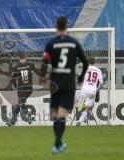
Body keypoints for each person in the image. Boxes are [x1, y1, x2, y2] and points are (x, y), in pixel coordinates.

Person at [41, 16, 88, 154]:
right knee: (61, 114)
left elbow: (45, 62)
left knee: (56, 113)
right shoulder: (74, 43)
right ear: (67, 26)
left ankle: (58, 143)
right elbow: (85, 63)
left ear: (56, 26)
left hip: (55, 80)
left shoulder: (51, 44)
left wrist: (43, 76)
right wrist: (80, 77)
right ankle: (57, 144)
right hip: (68, 80)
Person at [7, 53, 42, 126]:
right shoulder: (30, 65)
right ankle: (12, 121)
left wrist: (16, 86)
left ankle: (28, 115)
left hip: (21, 88)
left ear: (18, 58)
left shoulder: (16, 67)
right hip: (29, 88)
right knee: (19, 103)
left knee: (21, 104)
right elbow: (39, 73)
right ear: (26, 57)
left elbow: (12, 78)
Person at [76, 57, 103, 126]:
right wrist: (97, 90)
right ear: (94, 63)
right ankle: (80, 121)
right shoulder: (98, 70)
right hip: (93, 91)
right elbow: (101, 83)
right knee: (87, 107)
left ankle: (83, 119)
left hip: (85, 90)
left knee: (79, 105)